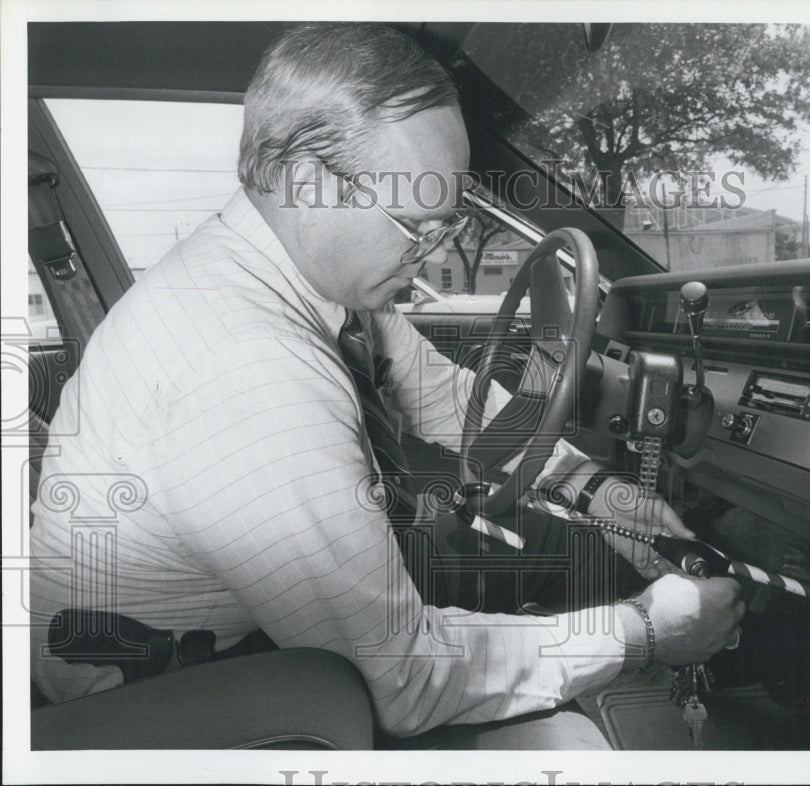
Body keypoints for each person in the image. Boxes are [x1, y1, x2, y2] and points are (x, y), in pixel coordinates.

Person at [30, 23, 744, 749]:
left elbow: (445, 399)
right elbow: (402, 680)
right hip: (172, 703)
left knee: (518, 567)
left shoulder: (313, 281)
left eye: (446, 224)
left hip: (229, 635)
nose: (433, 258)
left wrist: (594, 490)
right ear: (309, 183)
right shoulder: (247, 370)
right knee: (568, 749)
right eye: (417, 226)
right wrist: (645, 631)